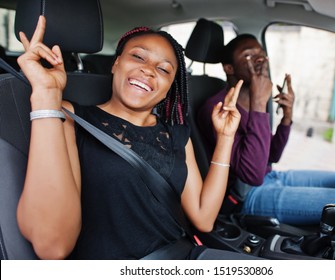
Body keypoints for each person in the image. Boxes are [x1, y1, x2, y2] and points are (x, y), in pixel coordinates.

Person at [16, 15, 250, 260]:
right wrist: (46, 94)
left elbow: (204, 218)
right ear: (116, 63)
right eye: (138, 56)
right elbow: (53, 246)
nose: (148, 70)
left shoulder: (176, 134)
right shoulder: (69, 118)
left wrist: (225, 137)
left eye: (163, 69)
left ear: (170, 87)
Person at [197, 33, 335, 240]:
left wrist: (287, 116)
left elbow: (272, 156)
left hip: (272, 176)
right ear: (229, 68)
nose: (259, 59)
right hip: (246, 195)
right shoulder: (218, 108)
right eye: (248, 55)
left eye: (261, 53)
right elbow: (252, 175)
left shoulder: (253, 97)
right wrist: (259, 105)